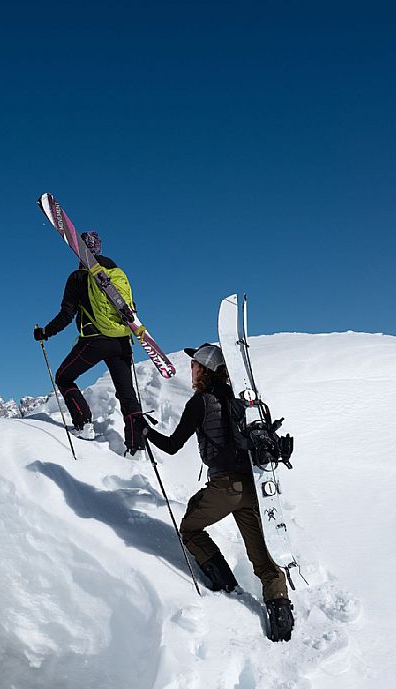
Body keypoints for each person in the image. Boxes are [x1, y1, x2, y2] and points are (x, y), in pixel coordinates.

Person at [144, 343, 295, 641]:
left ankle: (225, 584)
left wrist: (146, 431)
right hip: (255, 485)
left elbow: (173, 446)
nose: (191, 369)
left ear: (205, 369)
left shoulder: (200, 402)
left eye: (194, 364)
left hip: (226, 486)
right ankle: (281, 616)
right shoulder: (244, 404)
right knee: (263, 555)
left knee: (189, 527)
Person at [33, 231, 146, 454]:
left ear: (78, 249)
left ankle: (84, 423)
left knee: (64, 377)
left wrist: (45, 332)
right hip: (122, 342)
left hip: (94, 341)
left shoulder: (78, 277)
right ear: (99, 248)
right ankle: (137, 447)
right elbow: (131, 309)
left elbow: (66, 315)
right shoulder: (118, 274)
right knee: (127, 395)